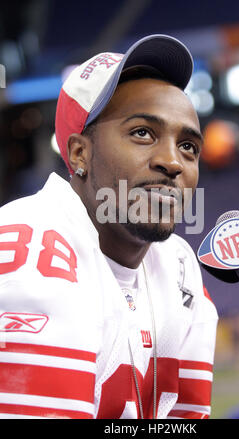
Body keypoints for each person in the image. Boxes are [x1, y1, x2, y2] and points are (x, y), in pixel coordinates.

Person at [0, 34, 218, 419]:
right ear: (79, 152)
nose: (173, 162)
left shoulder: (179, 266)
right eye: (142, 133)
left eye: (188, 146)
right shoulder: (34, 247)